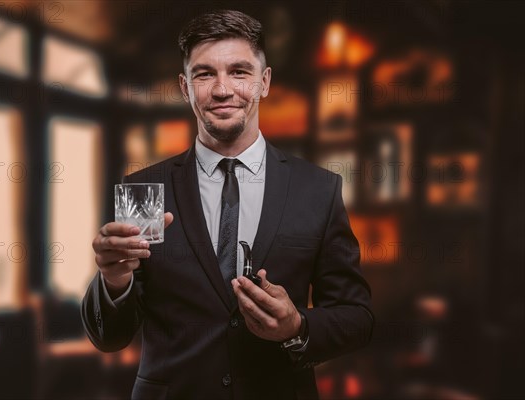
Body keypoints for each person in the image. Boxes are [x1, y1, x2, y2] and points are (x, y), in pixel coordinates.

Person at [81, 9, 373, 399]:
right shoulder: (144, 188)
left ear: (263, 82)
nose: (222, 89)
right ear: (185, 87)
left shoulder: (318, 189)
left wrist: (297, 325)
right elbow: (110, 338)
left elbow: (357, 317)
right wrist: (114, 281)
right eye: (205, 74)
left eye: (239, 72)